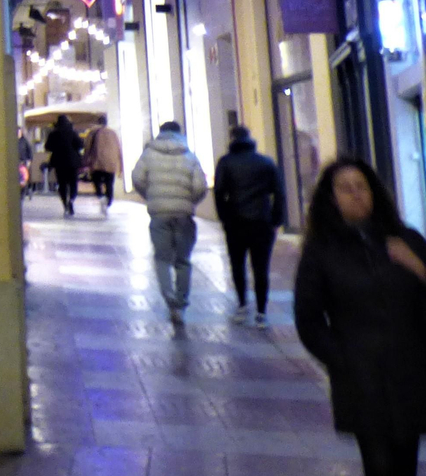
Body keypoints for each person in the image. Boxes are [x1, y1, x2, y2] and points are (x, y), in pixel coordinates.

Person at [294, 158, 426, 476]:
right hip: (362, 379)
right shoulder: (321, 252)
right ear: (331, 199)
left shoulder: (405, 240)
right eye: (346, 188)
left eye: (362, 186)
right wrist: (342, 359)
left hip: (410, 372)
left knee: (405, 472)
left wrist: (418, 266)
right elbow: (308, 320)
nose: (356, 194)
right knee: (379, 471)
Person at [131, 119, 207, 325]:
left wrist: (150, 196)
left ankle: (169, 297)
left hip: (159, 214)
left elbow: (137, 178)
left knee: (162, 258)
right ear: (180, 134)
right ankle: (181, 303)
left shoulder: (149, 154)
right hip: (183, 215)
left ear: (161, 133)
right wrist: (190, 202)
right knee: (183, 260)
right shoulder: (190, 156)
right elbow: (201, 186)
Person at [213, 124, 285, 326]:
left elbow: (219, 193)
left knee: (238, 265)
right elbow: (279, 193)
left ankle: (242, 305)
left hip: (235, 223)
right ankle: (262, 312)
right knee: (261, 267)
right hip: (262, 222)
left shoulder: (226, 162)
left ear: (232, 140)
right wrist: (276, 220)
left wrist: (224, 218)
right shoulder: (266, 162)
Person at [43, 114, 84, 217]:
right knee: (73, 183)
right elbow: (80, 145)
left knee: (62, 184)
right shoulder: (72, 132)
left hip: (59, 162)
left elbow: (48, 147)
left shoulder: (53, 134)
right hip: (72, 162)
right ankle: (72, 199)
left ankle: (65, 204)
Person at [86, 120, 123, 214]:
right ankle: (108, 202)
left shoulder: (93, 132)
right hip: (111, 162)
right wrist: (120, 166)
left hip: (97, 162)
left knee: (96, 181)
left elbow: (87, 147)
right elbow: (118, 148)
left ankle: (101, 196)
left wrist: (85, 160)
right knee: (109, 183)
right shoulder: (113, 133)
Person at [15, 128, 33, 195]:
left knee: (23, 179)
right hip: (15, 163)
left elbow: (29, 151)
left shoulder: (24, 141)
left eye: (19, 132)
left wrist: (29, 160)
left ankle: (24, 192)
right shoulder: (13, 141)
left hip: (23, 163)